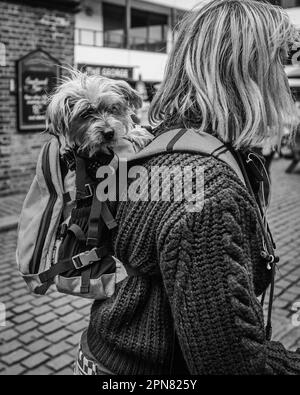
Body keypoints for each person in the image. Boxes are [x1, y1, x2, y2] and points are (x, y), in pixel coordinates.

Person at [80, 0, 300, 374]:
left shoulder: (166, 139)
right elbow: (235, 364)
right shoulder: (208, 191)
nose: (284, 78)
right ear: (249, 74)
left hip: (106, 351)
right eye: (278, 63)